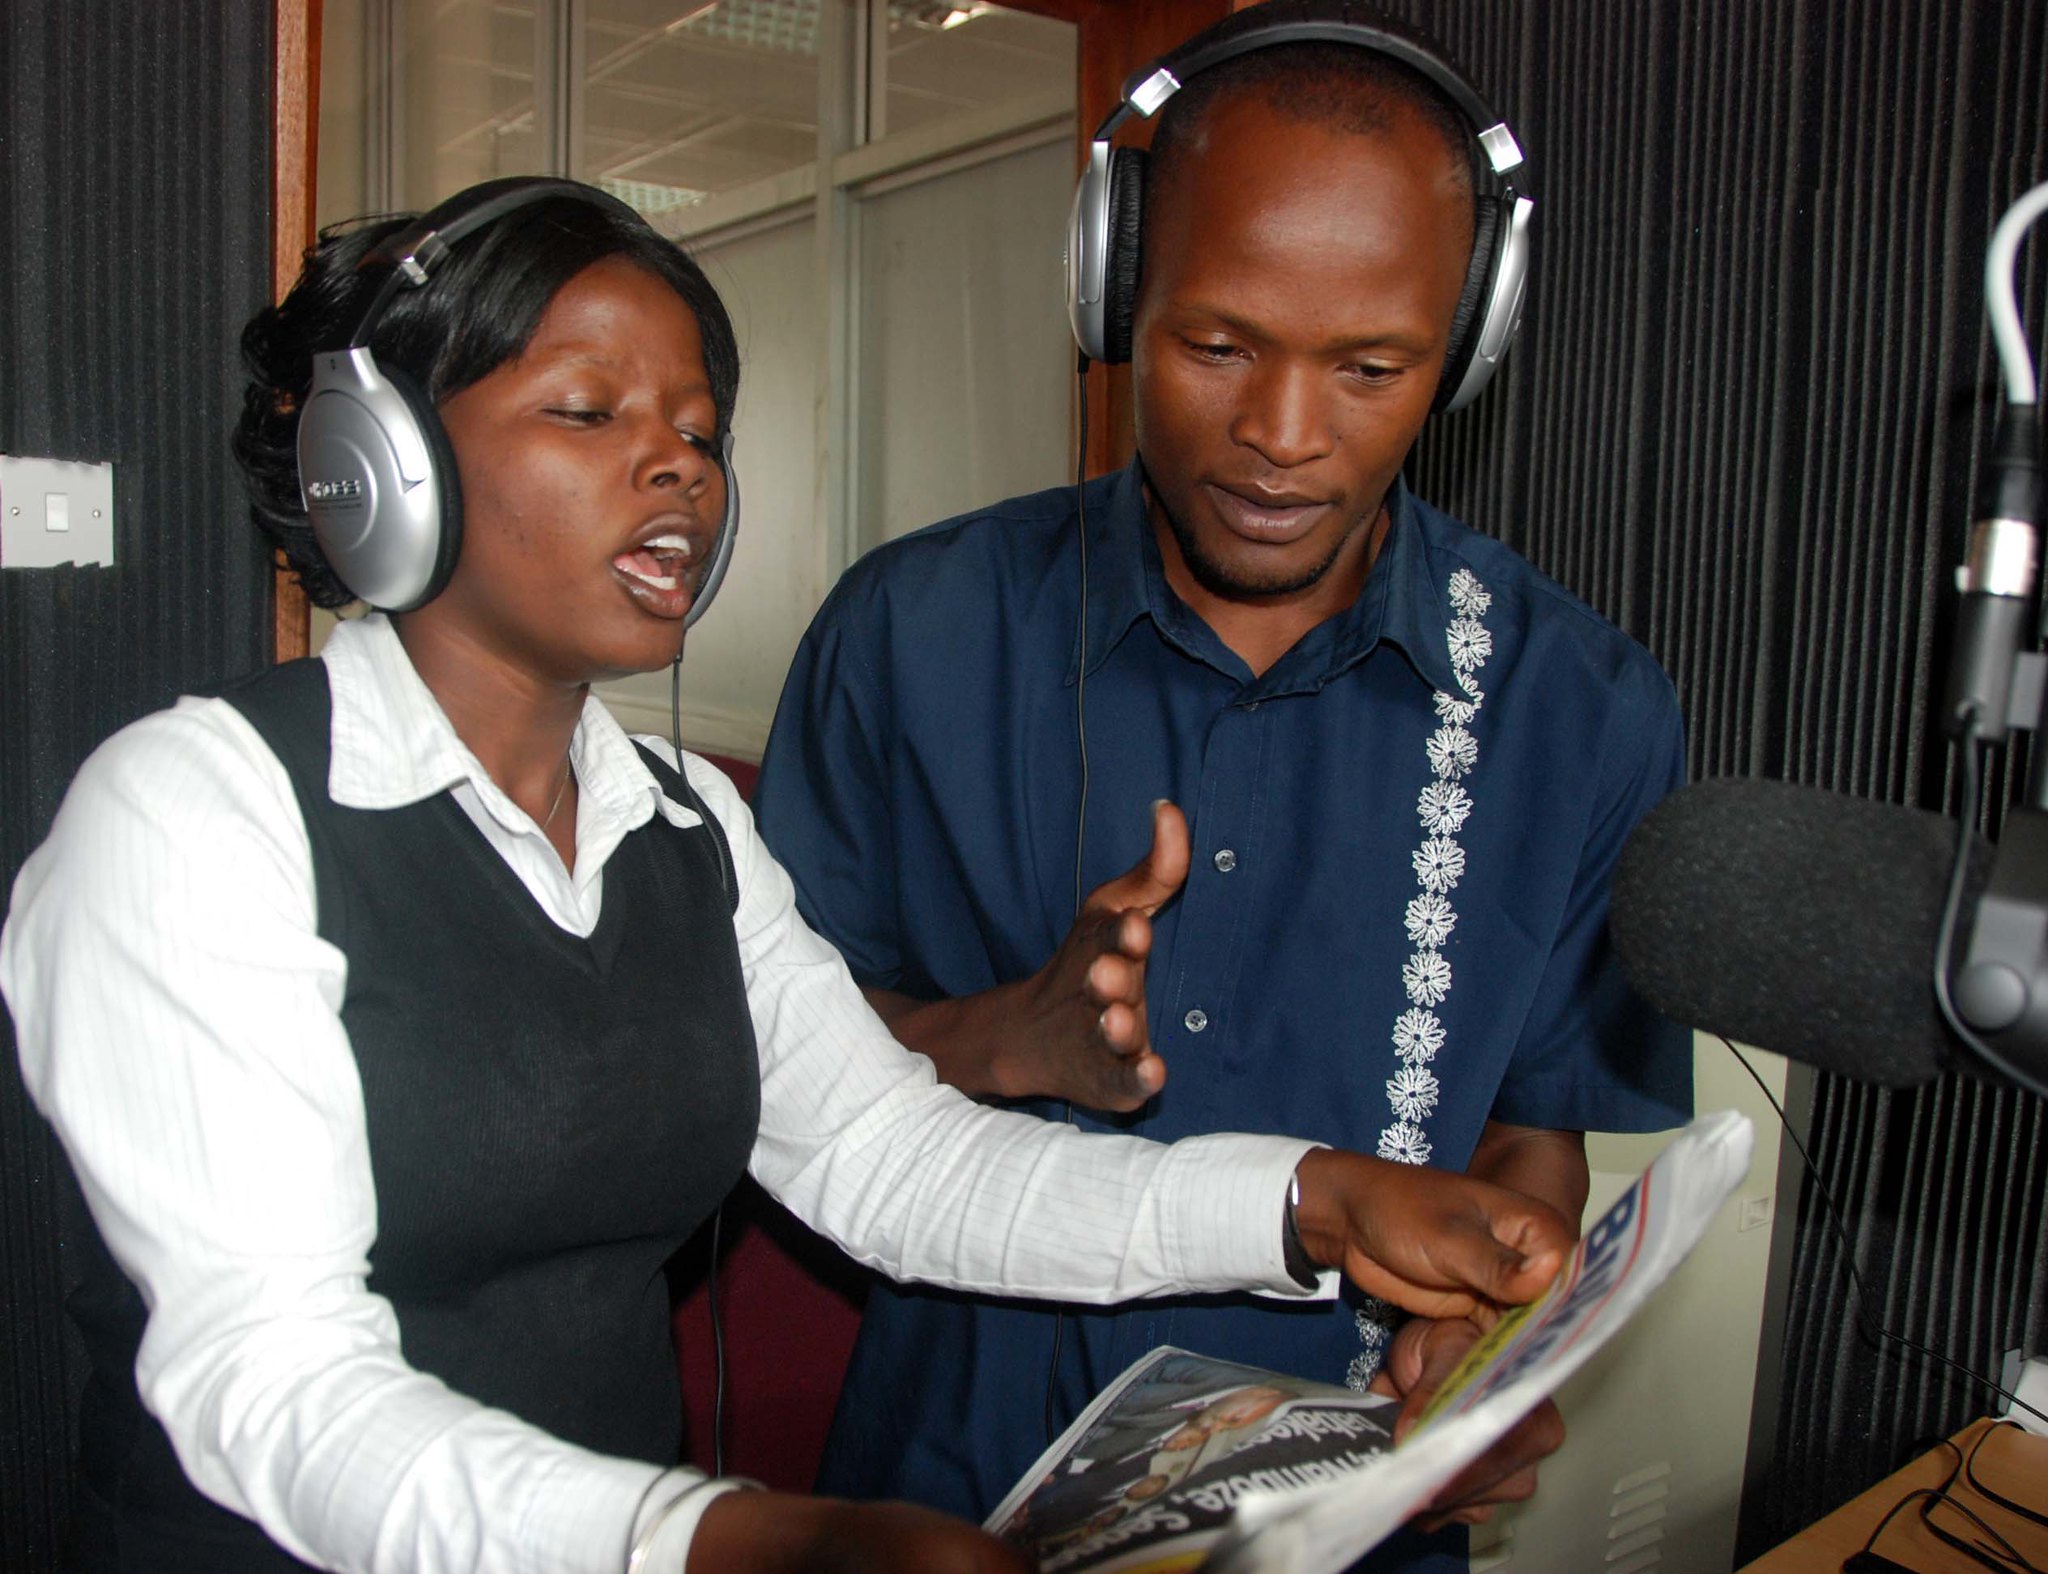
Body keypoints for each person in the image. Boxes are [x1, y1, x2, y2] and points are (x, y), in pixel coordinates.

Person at [0, 179, 1576, 1574]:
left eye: (696, 430)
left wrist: (1310, 1198)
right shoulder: (198, 812)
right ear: (381, 465)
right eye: (588, 411)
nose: (674, 469)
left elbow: (898, 1167)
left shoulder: (686, 822)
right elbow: (272, 1384)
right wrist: (715, 1535)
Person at [753, 7, 1694, 1571]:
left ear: (1466, 349)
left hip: (1351, 1508)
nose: (1279, 436)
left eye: (1370, 367)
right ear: (1119, 290)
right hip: (946, 1489)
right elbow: (769, 1080)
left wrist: (1484, 1339)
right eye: (1216, 343)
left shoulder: (1582, 710)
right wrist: (1000, 1036)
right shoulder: (905, 633)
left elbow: (1538, 1129)